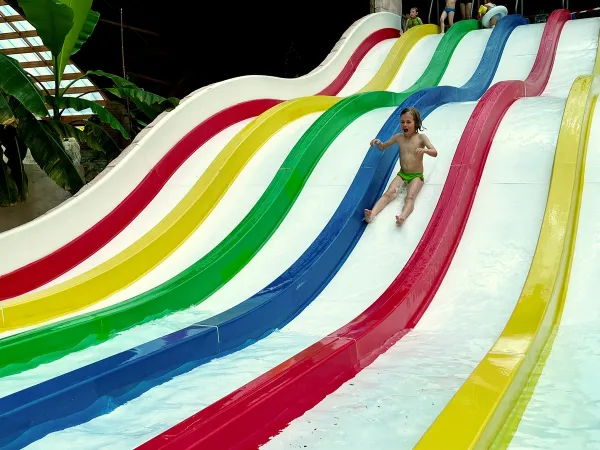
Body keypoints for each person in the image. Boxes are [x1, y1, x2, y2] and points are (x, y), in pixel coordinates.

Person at [364, 107, 437, 227]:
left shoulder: (421, 138)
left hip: (416, 176)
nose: (405, 125)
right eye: (402, 122)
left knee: (410, 197)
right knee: (389, 193)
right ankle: (372, 214)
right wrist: (378, 143)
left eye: (409, 122)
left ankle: (402, 216)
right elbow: (383, 147)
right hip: (402, 174)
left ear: (416, 123)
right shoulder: (399, 137)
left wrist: (425, 151)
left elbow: (434, 152)